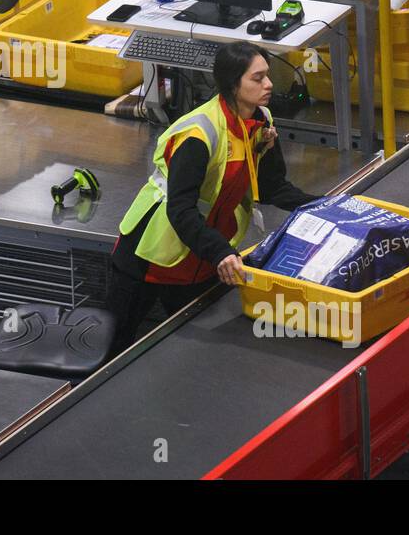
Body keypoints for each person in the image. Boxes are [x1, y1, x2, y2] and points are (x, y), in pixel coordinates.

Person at [106, 42, 320, 354]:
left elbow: (272, 187)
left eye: (267, 76)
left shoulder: (261, 122)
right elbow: (180, 210)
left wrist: (322, 206)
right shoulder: (199, 135)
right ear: (234, 85)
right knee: (111, 350)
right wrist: (220, 251)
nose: (269, 84)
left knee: (196, 356)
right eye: (257, 78)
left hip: (203, 257)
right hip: (150, 253)